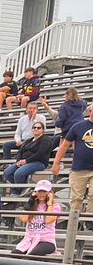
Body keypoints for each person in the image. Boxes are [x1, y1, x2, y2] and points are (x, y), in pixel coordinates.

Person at [51, 102, 93, 241]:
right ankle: (74, 222)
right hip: (79, 168)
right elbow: (64, 145)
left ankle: (89, 220)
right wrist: (56, 163)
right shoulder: (78, 126)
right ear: (90, 111)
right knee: (76, 198)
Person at [11, 181, 62, 265]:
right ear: (35, 192)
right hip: (30, 239)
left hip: (47, 241)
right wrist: (30, 200)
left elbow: (48, 220)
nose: (41, 194)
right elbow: (23, 218)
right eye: (39, 191)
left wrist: (49, 203)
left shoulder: (55, 206)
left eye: (44, 191)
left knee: (34, 255)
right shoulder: (31, 205)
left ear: (49, 193)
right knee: (14, 254)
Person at [3, 121, 55, 187]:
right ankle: (23, 187)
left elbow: (40, 153)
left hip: (39, 162)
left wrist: (26, 161)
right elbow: (20, 152)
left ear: (42, 130)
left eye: (39, 128)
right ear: (32, 129)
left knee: (19, 173)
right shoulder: (28, 140)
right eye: (34, 127)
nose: (36, 129)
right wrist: (18, 161)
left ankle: (17, 190)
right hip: (25, 162)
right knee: (7, 172)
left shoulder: (46, 140)